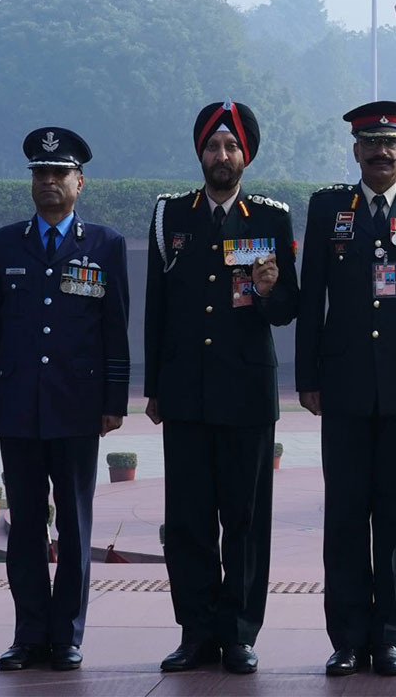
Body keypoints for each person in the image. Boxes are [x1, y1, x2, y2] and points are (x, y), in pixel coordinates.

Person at [296, 101, 396, 678]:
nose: (381, 151)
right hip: (342, 386)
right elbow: (312, 295)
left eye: (391, 143)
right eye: (371, 143)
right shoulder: (329, 208)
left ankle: (387, 636)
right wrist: (306, 377)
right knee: (343, 515)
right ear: (356, 151)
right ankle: (346, 637)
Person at [144, 101, 298, 675]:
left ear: (246, 156)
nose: (222, 156)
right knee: (186, 520)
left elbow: (288, 310)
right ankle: (195, 631)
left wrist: (266, 290)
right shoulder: (169, 216)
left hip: (246, 394)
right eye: (213, 146)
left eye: (232, 147)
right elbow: (156, 311)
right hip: (186, 393)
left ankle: (238, 632)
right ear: (200, 153)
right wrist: (155, 387)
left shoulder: (270, 220)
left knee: (245, 519)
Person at [0, 127, 130, 673]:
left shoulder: (105, 245)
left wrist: (114, 399)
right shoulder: (5, 242)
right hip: (18, 406)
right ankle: (28, 634)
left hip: (76, 406)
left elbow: (116, 329)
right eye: (40, 174)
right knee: (24, 529)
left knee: (74, 523)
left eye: (58, 173)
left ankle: (66, 634)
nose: (48, 182)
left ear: (79, 182)